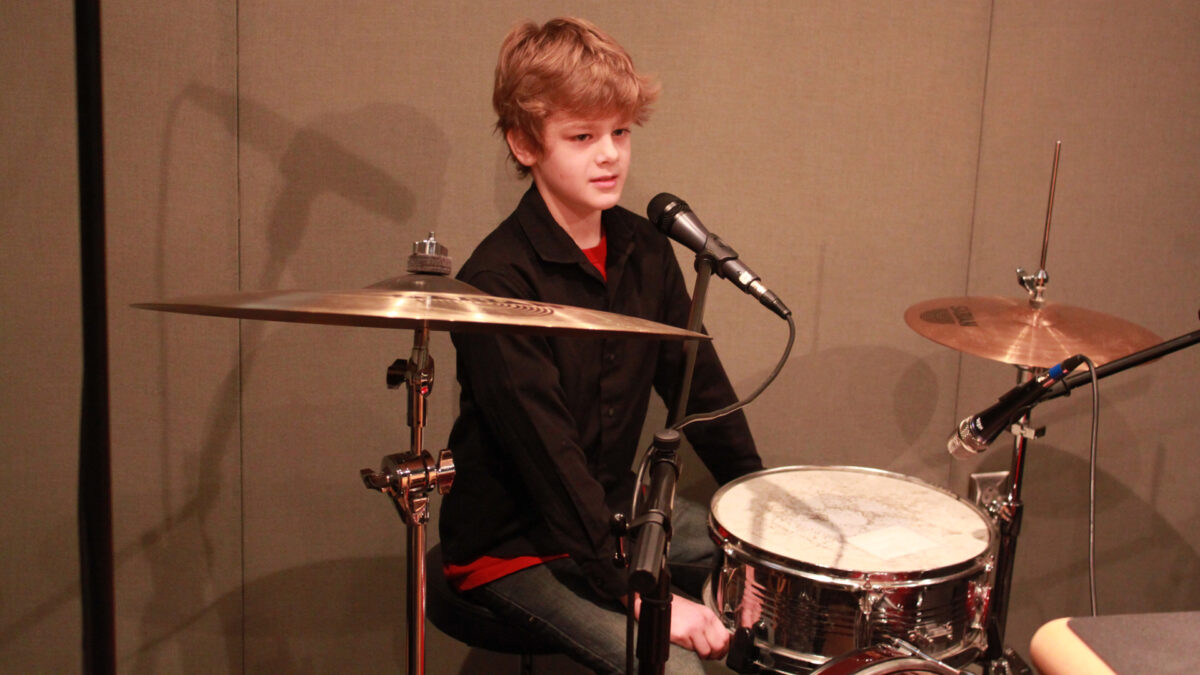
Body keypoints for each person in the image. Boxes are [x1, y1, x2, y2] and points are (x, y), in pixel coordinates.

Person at [438, 17, 763, 674]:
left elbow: (702, 391)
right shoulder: (498, 282)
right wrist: (645, 598)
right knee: (673, 668)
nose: (609, 153)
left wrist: (759, 522)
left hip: (613, 512)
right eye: (582, 136)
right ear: (525, 142)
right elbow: (550, 461)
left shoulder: (645, 250)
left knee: (790, 571)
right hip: (516, 544)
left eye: (619, 131)